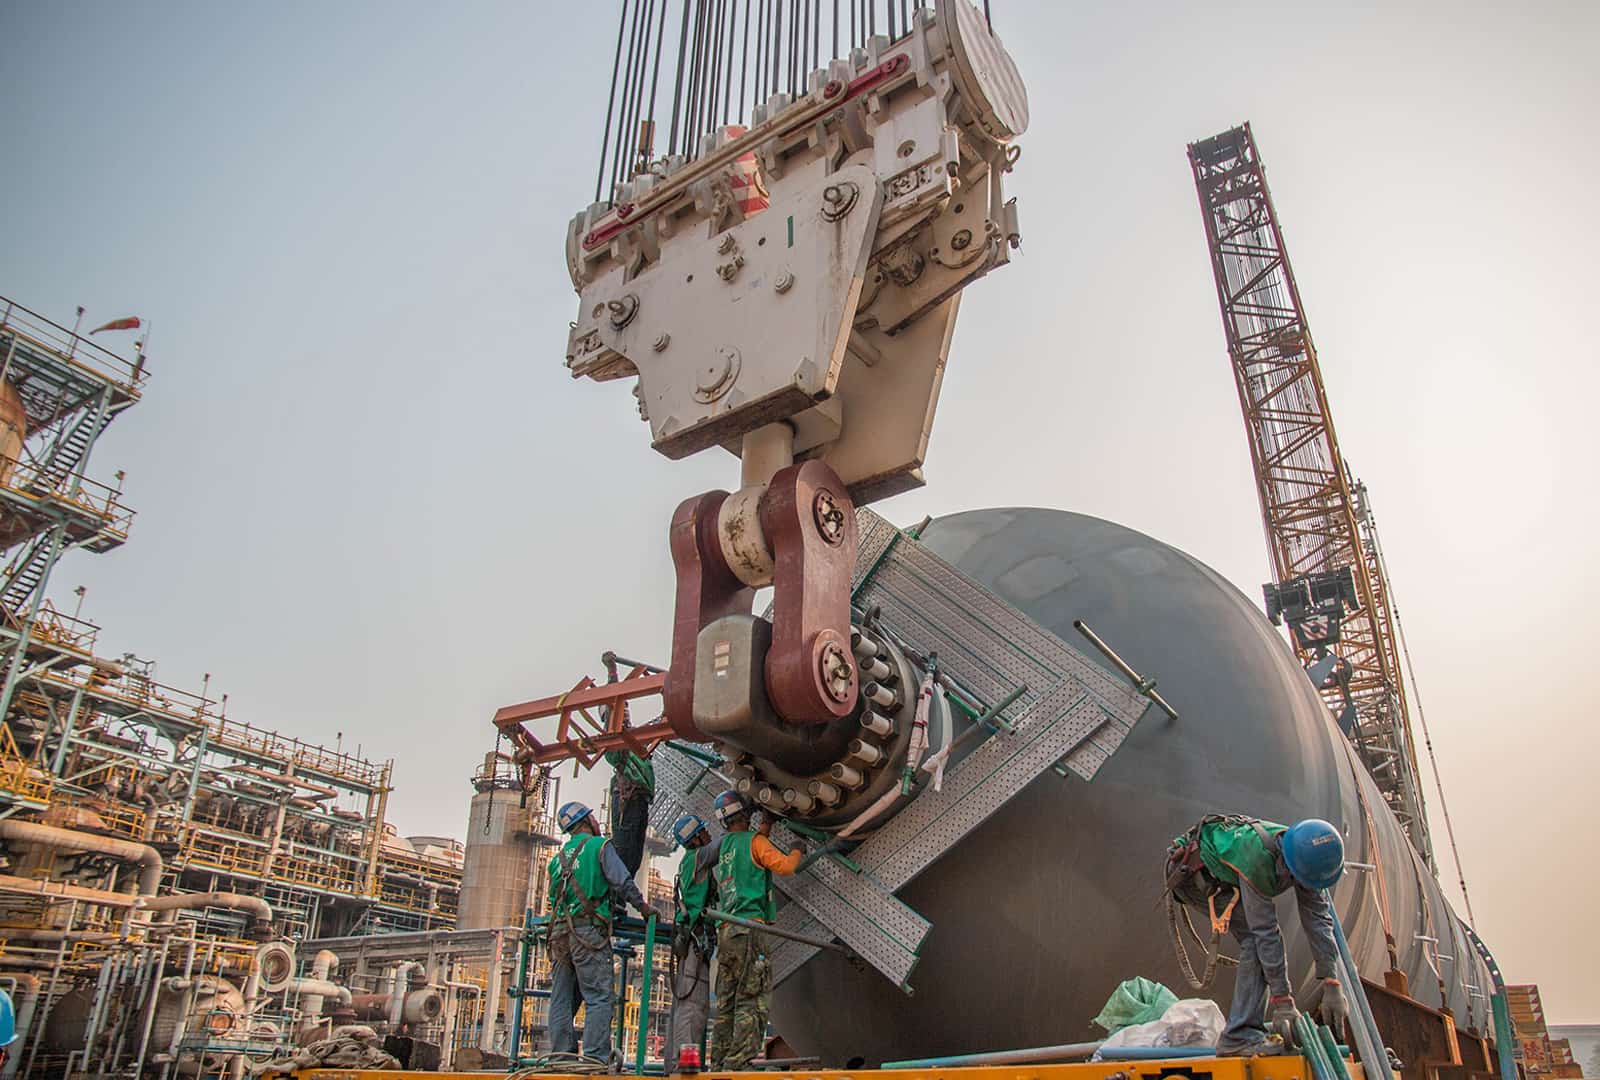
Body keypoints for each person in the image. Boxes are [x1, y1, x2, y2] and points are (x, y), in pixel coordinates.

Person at [1165, 815, 1349, 1057]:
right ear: (1293, 866)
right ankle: (1239, 1036)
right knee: (1255, 941)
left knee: (1259, 941)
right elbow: (1265, 933)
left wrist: (1332, 982)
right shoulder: (1258, 859)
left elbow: (1318, 920)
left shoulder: (1304, 856)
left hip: (1223, 869)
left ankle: (1246, 1029)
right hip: (1192, 874)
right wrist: (1282, 1000)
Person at [546, 799, 650, 1063]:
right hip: (587, 933)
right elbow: (621, 879)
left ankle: (560, 1056)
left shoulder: (557, 859)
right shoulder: (598, 846)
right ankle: (595, 1057)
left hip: (559, 934)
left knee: (560, 997)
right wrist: (644, 907)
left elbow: (552, 898)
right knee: (599, 996)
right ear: (586, 820)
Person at [708, 790, 802, 1069]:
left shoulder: (724, 847)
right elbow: (785, 866)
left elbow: (749, 849)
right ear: (745, 814)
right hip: (750, 929)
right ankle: (740, 1062)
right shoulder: (755, 842)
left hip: (726, 931)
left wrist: (766, 826)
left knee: (727, 1001)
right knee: (753, 997)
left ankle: (720, 1062)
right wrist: (798, 849)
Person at [668, 813, 719, 1062]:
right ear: (696, 839)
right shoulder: (698, 857)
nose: (709, 835)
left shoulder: (690, 860)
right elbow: (723, 846)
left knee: (695, 1004)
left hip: (694, 939)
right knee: (693, 1004)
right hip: (695, 941)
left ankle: (682, 1060)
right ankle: (684, 1060)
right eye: (704, 831)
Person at [604, 749, 655, 876]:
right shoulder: (623, 749)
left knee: (634, 858)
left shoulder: (641, 755)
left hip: (639, 799)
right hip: (628, 797)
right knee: (624, 856)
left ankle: (625, 887)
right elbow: (610, 751)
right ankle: (620, 891)